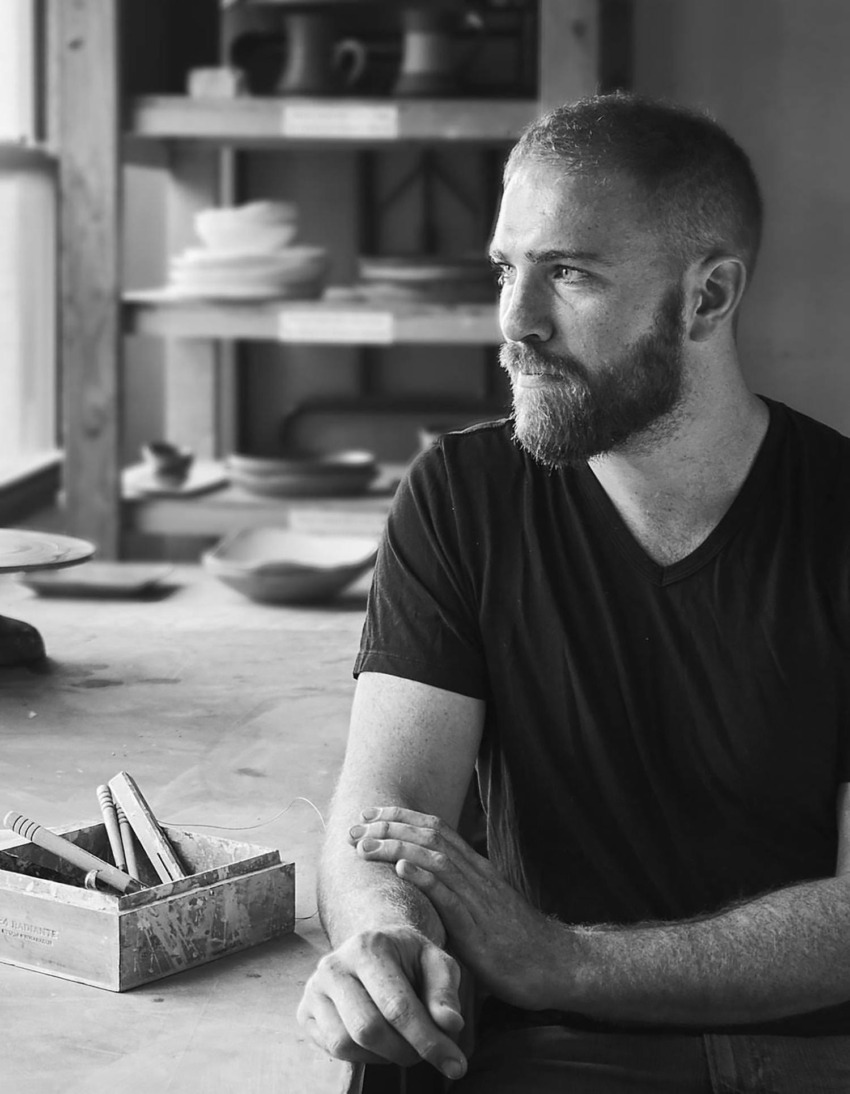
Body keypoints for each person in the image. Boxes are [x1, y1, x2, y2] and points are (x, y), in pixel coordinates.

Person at [296, 93, 850, 1092]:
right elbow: (385, 806)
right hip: (536, 1045)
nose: (514, 320)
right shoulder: (461, 494)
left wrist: (564, 958)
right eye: (507, 267)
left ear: (707, 298)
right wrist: (383, 938)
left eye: (569, 272)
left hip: (808, 1049)